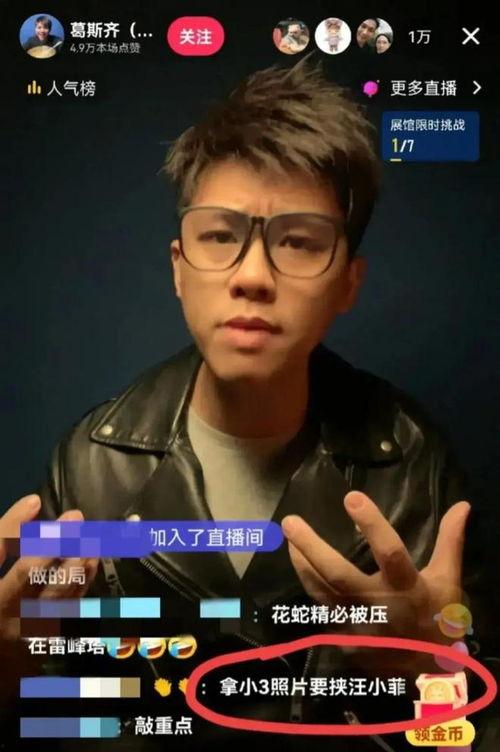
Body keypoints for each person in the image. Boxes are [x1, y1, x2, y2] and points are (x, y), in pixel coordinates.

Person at [0, 60, 495, 750]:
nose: (253, 276)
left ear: (348, 283)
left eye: (299, 242)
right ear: (179, 267)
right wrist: (12, 677)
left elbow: (472, 721)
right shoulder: (91, 462)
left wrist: (434, 664)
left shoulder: (414, 464)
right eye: (220, 236)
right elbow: (63, 711)